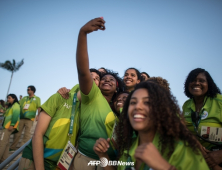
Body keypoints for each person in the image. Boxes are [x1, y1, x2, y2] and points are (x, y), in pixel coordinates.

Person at [94, 81, 209, 170]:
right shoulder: (128, 147)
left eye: (147, 102)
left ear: (161, 109)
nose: (137, 107)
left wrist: (164, 167)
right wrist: (103, 155)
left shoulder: (182, 148)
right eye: (133, 102)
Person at [72, 17, 124, 170]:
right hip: (85, 160)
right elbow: (83, 72)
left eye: (111, 80)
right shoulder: (92, 95)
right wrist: (83, 34)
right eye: (104, 79)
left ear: (117, 87)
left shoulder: (118, 109)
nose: (107, 80)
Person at [18, 87, 80, 170]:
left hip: (57, 164)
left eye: (97, 78)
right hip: (35, 160)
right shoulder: (60, 97)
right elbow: (38, 134)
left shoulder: (86, 110)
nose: (93, 81)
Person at [183, 68, 222, 168]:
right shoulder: (186, 105)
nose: (197, 83)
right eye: (193, 80)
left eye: (202, 81)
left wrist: (220, 155)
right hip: (196, 161)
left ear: (209, 84)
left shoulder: (219, 101)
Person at [10, 85, 41, 151]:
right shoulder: (24, 98)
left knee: (27, 134)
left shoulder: (37, 98)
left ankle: (22, 148)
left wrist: (38, 115)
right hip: (21, 118)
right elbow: (18, 105)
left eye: (29, 89)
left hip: (30, 119)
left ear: (32, 90)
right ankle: (12, 147)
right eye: (27, 89)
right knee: (17, 133)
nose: (27, 90)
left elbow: (39, 107)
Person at [0, 94, 20, 163]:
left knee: (2, 143)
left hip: (8, 126)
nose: (8, 99)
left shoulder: (16, 105)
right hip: (6, 126)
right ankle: (3, 161)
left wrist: (12, 124)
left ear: (14, 98)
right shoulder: (10, 106)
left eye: (9, 98)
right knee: (6, 144)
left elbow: (15, 115)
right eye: (7, 98)